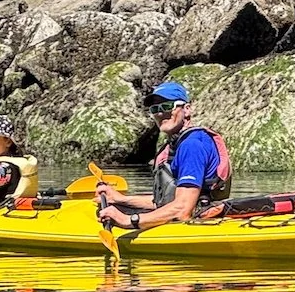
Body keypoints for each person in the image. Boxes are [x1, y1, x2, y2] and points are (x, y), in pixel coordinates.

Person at [96, 81, 230, 232]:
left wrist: (128, 220)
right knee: (105, 207)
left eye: (167, 107)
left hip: (196, 222)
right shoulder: (175, 145)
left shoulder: (191, 145)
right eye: (155, 109)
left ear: (186, 110)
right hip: (191, 213)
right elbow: (164, 202)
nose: (160, 113)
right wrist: (121, 199)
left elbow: (182, 210)